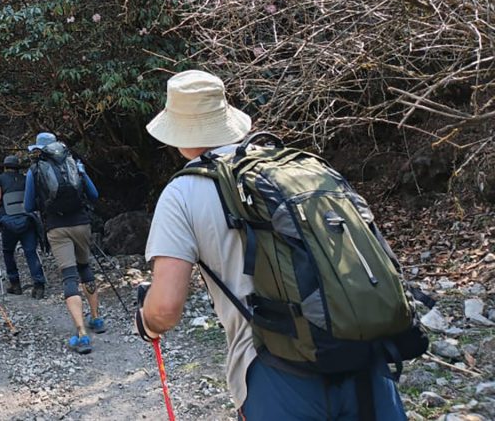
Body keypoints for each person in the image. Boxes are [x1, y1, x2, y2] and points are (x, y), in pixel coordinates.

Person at [137, 70, 408, 419]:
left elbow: (165, 308)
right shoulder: (300, 167)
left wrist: (147, 322)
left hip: (275, 370)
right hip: (362, 356)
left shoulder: (182, 193)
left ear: (177, 132)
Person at [24, 132, 103, 354]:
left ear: (40, 149)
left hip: (57, 228)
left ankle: (81, 334)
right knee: (85, 267)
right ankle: (96, 319)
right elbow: (94, 194)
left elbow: (28, 206)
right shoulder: (74, 165)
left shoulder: (35, 170)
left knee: (69, 276)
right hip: (82, 223)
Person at [0, 155, 46, 298]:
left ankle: (15, 285)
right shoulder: (25, 178)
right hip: (27, 220)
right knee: (31, 252)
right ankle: (39, 286)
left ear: (5, 167)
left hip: (8, 222)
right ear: (17, 168)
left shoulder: (0, 178)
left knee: (8, 252)